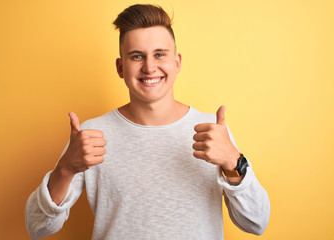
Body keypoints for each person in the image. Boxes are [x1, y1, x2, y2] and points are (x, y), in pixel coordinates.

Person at [25, 4, 270, 240]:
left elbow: (256, 223)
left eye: (160, 54)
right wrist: (65, 169)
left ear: (177, 63)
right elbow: (37, 227)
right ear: (121, 67)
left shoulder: (214, 133)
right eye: (136, 56)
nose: (150, 67)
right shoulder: (91, 135)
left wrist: (234, 162)